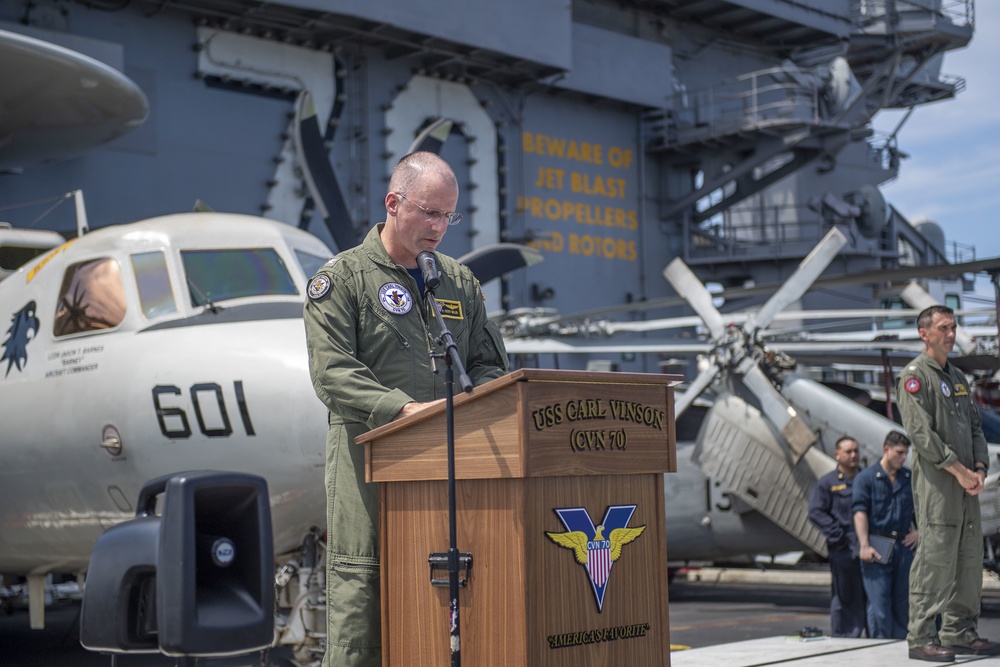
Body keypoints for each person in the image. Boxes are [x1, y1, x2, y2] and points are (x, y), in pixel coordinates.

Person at [303, 151, 510, 667]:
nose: (440, 227)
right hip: (368, 468)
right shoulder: (342, 280)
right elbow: (332, 372)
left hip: (455, 462)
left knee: (456, 588)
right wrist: (403, 412)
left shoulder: (459, 282)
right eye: (429, 213)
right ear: (394, 204)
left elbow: (488, 362)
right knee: (363, 590)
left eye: (448, 216)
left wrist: (468, 405)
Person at [896, 304, 1000, 662]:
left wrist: (981, 468)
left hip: (968, 482)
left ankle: (959, 632)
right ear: (925, 334)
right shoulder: (914, 376)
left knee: (968, 558)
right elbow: (921, 435)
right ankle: (921, 637)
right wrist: (960, 471)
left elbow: (974, 428)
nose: (951, 334)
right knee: (936, 557)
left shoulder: (956, 377)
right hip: (939, 484)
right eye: (943, 328)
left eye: (954, 327)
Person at [852, 430, 917, 639]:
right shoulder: (866, 478)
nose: (904, 457)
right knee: (879, 606)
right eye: (899, 452)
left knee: (902, 603)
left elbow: (924, 508)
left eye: (906, 453)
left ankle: (898, 649)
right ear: (886, 450)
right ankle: (880, 649)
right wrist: (864, 545)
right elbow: (859, 512)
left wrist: (920, 532)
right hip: (877, 543)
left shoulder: (908, 478)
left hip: (903, 546)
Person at [808, 436, 867, 637]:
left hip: (870, 548)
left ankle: (876, 638)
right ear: (837, 455)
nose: (853, 455)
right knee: (845, 597)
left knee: (873, 596)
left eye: (856, 451)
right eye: (848, 451)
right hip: (844, 549)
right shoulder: (828, 484)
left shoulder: (866, 479)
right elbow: (816, 512)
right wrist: (839, 536)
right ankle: (845, 638)